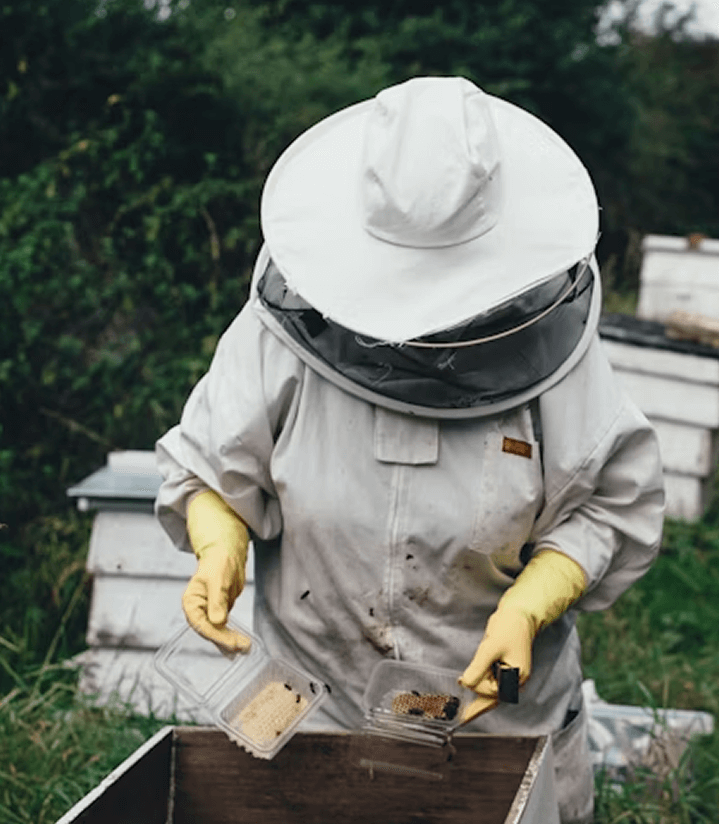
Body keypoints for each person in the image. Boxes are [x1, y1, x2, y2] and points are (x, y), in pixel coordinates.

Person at [154, 76, 664, 823]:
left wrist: (529, 603)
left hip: (491, 726)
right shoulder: (280, 337)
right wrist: (217, 541)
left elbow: (607, 507)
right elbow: (211, 465)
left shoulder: (556, 356)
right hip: (306, 714)